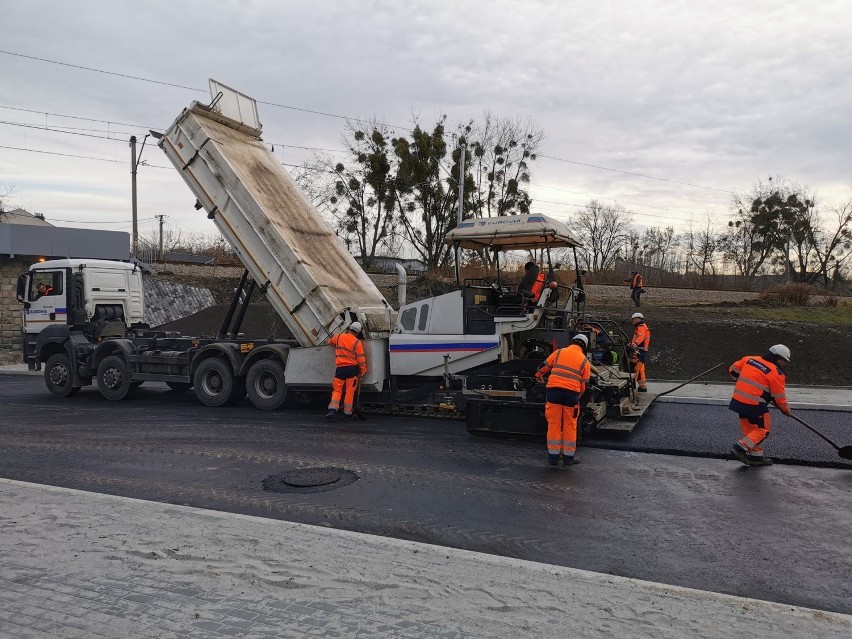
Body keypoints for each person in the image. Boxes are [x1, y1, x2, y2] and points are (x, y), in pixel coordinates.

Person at [728, 344, 792, 467]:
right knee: (762, 431)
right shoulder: (776, 373)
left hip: (738, 401)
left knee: (752, 431)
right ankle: (740, 448)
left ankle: (756, 458)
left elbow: (733, 371)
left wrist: (740, 381)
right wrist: (785, 410)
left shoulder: (749, 359)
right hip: (754, 404)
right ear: (779, 359)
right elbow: (779, 397)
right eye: (784, 361)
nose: (784, 364)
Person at [535, 333, 591, 467]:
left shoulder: (559, 352)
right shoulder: (585, 361)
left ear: (572, 341)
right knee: (570, 426)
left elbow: (544, 366)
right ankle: (568, 458)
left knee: (554, 424)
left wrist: (538, 375)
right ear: (584, 347)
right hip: (571, 395)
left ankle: (553, 457)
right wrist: (577, 396)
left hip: (554, 392)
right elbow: (583, 385)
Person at [325, 321, 367, 421]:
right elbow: (361, 359)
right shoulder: (357, 342)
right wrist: (363, 372)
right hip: (352, 370)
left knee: (337, 390)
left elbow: (329, 342)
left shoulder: (339, 337)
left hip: (340, 369)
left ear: (349, 329)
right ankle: (347, 412)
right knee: (349, 391)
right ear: (358, 333)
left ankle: (332, 409)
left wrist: (332, 341)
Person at [629, 312, 651, 392]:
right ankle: (642, 386)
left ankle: (631, 384)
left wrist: (635, 343)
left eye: (633, 320)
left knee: (636, 368)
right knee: (641, 369)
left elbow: (641, 336)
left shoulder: (640, 327)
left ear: (637, 319)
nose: (633, 322)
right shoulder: (644, 326)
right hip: (642, 351)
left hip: (639, 351)